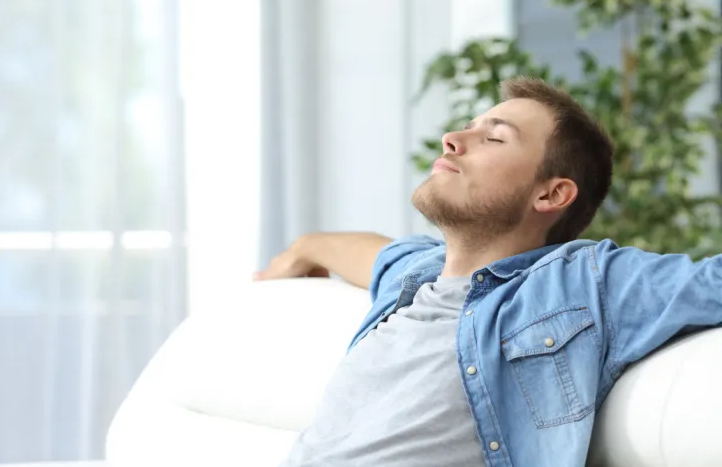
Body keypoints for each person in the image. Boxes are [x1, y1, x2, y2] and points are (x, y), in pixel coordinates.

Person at [253, 77, 722, 467]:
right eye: (467, 128)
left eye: (494, 138)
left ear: (551, 194)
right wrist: (303, 248)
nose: (452, 140)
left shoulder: (580, 282)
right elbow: (370, 252)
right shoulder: (417, 275)